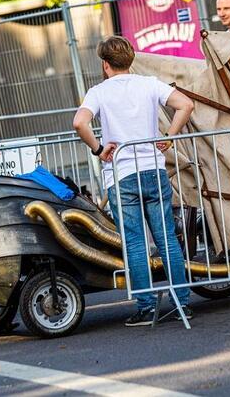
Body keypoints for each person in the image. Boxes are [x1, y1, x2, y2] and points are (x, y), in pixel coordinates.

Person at [72, 35, 195, 327]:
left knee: (136, 243)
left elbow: (79, 122)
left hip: (122, 173)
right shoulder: (149, 83)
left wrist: (99, 149)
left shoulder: (98, 92)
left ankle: (146, 306)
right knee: (166, 238)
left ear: (105, 65)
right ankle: (182, 303)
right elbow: (185, 105)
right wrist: (169, 137)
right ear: (130, 60)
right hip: (153, 169)